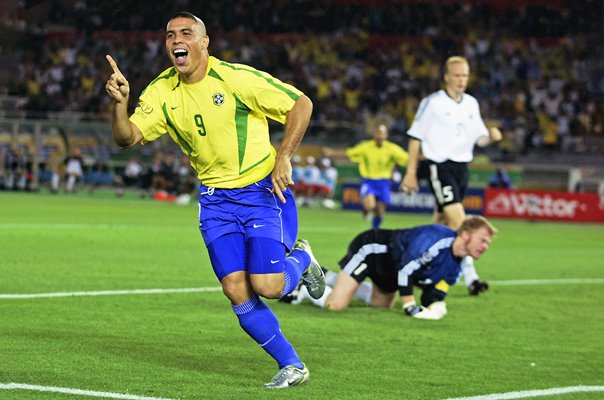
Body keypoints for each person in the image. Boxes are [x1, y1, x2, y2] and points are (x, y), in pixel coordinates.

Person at [104, 11, 325, 389]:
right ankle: (292, 364)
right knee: (235, 289)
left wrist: (284, 155)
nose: (177, 40)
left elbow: (300, 104)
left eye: (186, 33)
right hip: (214, 202)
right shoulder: (161, 91)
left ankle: (302, 258)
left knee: (269, 286)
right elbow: (127, 138)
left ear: (204, 42)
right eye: (171, 34)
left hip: (260, 192)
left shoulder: (236, 78)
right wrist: (120, 103)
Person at [401, 56, 502, 296]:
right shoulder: (433, 103)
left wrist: (492, 137)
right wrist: (411, 173)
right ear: (446, 76)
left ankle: (420, 266)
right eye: (456, 75)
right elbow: (416, 137)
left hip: (461, 168)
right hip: (439, 165)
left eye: (465, 75)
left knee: (441, 225)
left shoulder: (471, 104)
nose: (461, 80)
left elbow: (480, 138)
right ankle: (471, 278)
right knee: (459, 221)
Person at [290, 215, 497, 320]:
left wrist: (436, 304)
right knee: (334, 305)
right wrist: (409, 305)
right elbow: (407, 269)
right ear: (466, 235)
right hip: (373, 249)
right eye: (483, 240)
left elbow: (435, 291)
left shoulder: (457, 265)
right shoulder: (436, 238)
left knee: (382, 304)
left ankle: (328, 276)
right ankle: (304, 287)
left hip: (392, 269)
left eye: (487, 243)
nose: (485, 247)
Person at [328, 124, 408, 229]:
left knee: (380, 211)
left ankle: (374, 229)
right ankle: (366, 211)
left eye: (382, 133)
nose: (380, 136)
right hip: (368, 181)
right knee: (370, 205)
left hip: (384, 182)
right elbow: (349, 153)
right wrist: (333, 152)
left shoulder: (392, 149)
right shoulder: (366, 146)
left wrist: (420, 157)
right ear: (374, 134)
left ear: (386, 135)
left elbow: (407, 159)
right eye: (378, 133)